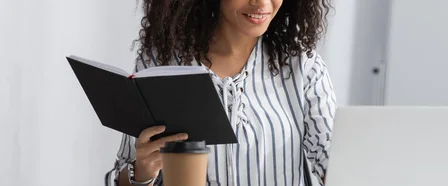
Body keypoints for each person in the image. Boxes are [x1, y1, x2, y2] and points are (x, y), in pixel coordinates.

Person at [104, 0, 336, 185]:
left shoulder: (304, 67)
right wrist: (142, 172)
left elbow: (333, 162)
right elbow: (124, 174)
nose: (262, 3)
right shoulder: (161, 63)